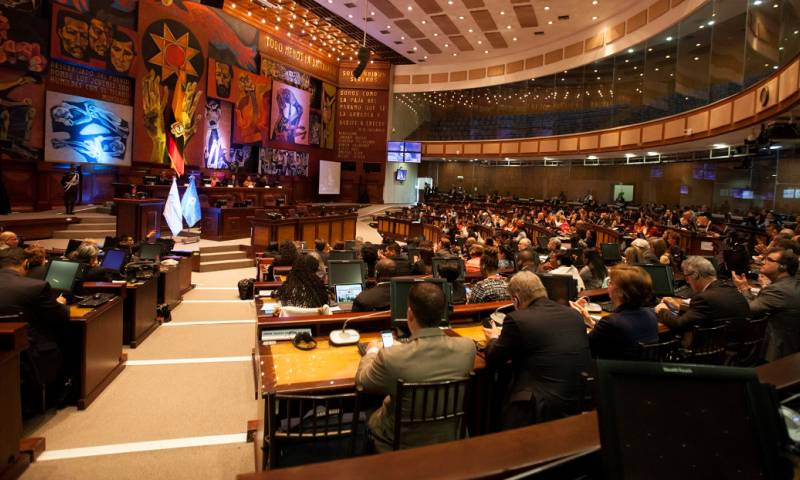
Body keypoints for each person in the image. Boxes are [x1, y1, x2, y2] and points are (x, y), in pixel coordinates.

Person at [355, 282, 476, 452]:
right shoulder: (468, 348)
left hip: (399, 443)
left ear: (410, 314)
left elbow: (362, 382)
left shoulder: (391, 357)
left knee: (368, 412)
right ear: (442, 313)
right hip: (451, 437)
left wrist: (372, 352)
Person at [484, 271, 591, 430]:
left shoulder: (517, 319)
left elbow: (494, 358)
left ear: (516, 299)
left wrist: (493, 338)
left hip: (537, 408)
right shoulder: (574, 315)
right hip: (575, 400)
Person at [0, 248, 71, 413]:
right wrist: (59, 303)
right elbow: (61, 317)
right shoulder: (36, 287)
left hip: (4, 350)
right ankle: (64, 392)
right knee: (70, 336)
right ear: (25, 263)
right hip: (31, 352)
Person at [656, 256, 750, 346]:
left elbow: (679, 324)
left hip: (709, 352)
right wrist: (678, 306)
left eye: (687, 277)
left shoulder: (703, 298)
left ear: (696, 275)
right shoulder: (732, 289)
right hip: (735, 347)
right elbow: (709, 311)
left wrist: (662, 310)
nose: (687, 282)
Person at [573, 265, 658, 360]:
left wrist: (574, 317)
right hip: (641, 371)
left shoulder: (611, 322)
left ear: (621, 292)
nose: (608, 285)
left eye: (611, 283)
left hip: (614, 372)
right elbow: (613, 333)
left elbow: (583, 346)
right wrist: (590, 321)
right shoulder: (651, 314)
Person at [732, 248, 800, 361]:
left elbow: (748, 310)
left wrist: (743, 288)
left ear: (782, 267)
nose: (763, 262)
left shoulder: (778, 290)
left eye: (769, 260)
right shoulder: (791, 284)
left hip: (777, 350)